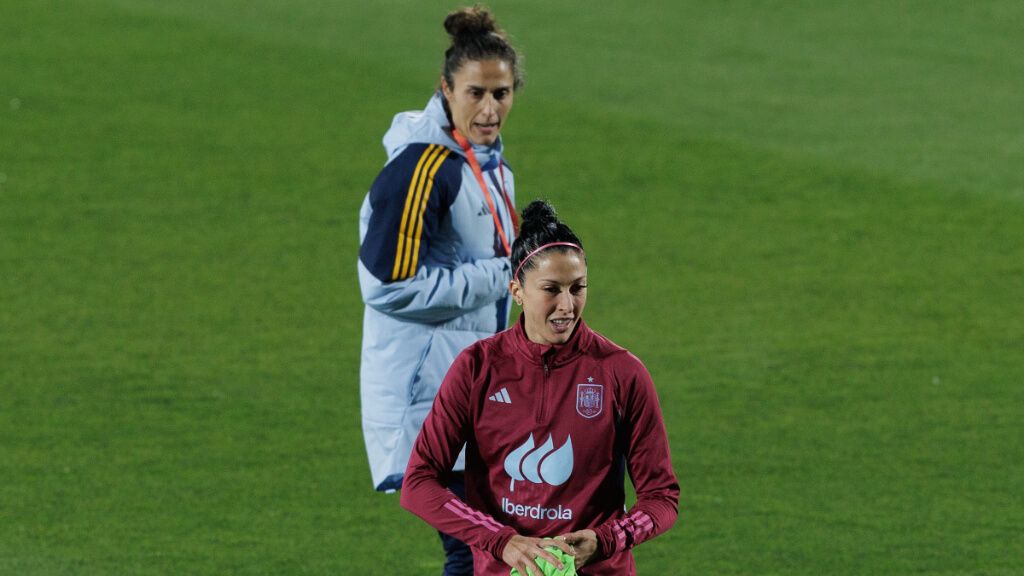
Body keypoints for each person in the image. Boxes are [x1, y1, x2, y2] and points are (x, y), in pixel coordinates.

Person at [401, 201, 680, 575]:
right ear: (517, 291)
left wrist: (607, 539)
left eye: (577, 288)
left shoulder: (622, 373)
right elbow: (419, 483)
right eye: (551, 289)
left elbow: (661, 498)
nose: (567, 305)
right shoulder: (476, 369)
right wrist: (502, 541)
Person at [357, 6, 524, 575]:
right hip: (426, 394)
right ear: (446, 89)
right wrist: (505, 274)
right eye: (476, 93)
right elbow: (389, 285)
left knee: (490, 548)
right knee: (478, 550)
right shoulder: (424, 169)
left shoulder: (488, 163)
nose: (489, 109)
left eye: (501, 94)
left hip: (471, 387)